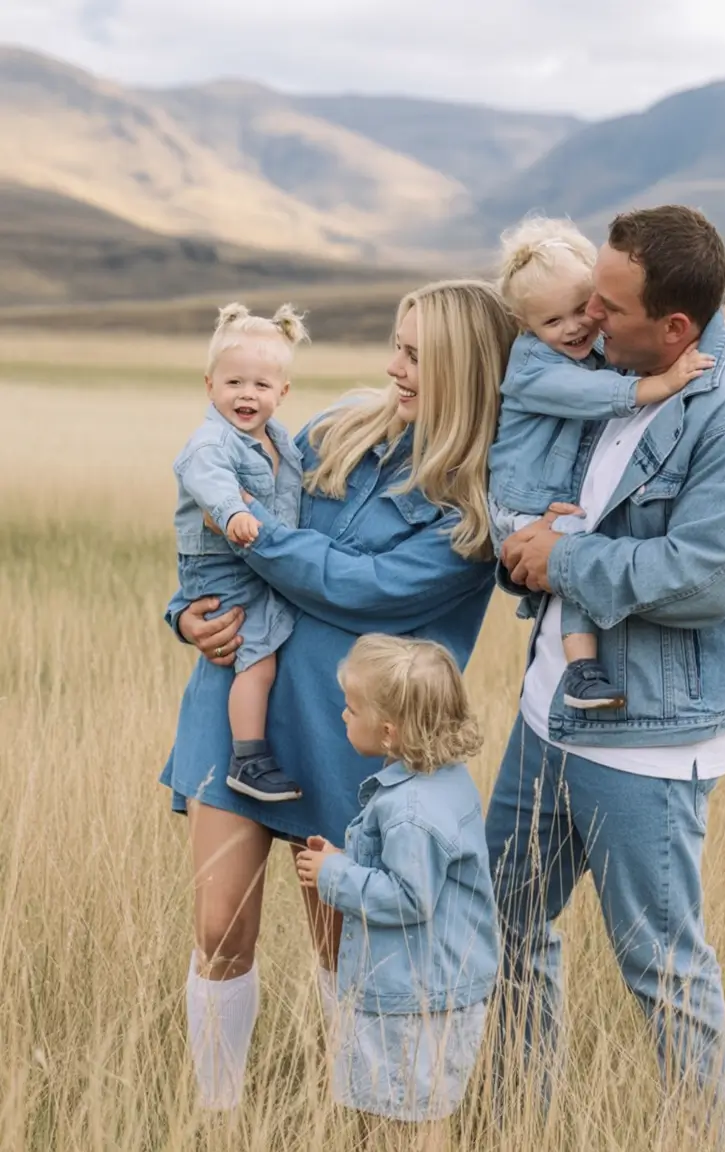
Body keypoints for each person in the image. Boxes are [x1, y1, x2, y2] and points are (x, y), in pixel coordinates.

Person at [490, 205, 725, 1141]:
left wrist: (560, 559)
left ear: (675, 326)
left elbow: (701, 579)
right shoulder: (619, 365)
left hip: (649, 737)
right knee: (505, 926)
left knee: (661, 970)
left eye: (610, 303)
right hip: (548, 709)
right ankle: (519, 1123)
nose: (589, 315)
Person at [160, 280, 515, 1112]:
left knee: (343, 942)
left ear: (465, 369)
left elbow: (362, 590)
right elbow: (209, 518)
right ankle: (217, 1115)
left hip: (356, 732)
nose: (393, 366)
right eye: (396, 345)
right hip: (240, 695)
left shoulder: (473, 505)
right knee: (218, 929)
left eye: (417, 357)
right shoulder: (334, 429)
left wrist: (257, 535)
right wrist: (186, 615)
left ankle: (349, 1109)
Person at [488, 215, 725, 710]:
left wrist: (717, 317)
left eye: (585, 307)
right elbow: (597, 393)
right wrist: (663, 385)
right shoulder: (532, 368)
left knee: (576, 553)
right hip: (522, 501)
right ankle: (582, 670)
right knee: (572, 556)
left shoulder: (585, 339)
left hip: (555, 497)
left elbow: (661, 329)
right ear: (526, 327)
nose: (579, 324)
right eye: (552, 321)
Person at [296, 634, 498, 1145]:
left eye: (352, 708)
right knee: (403, 1112)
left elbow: (410, 897)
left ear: (387, 732)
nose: (343, 715)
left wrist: (333, 877)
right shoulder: (442, 782)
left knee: (412, 1120)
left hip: (417, 1001)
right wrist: (349, 859)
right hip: (429, 989)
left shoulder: (411, 812)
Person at [173, 302, 307, 803]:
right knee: (258, 655)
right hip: (221, 565)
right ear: (210, 385)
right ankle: (248, 759)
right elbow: (210, 483)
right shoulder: (212, 442)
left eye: (260, 385)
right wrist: (234, 514)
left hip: (254, 564)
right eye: (233, 383)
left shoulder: (279, 440)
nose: (246, 395)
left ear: (282, 393)